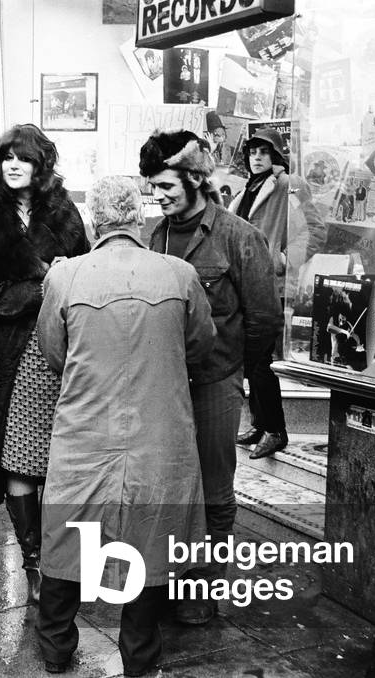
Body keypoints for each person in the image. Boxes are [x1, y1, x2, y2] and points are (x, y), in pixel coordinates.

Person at [36, 176, 215, 676]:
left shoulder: (65, 277)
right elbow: (200, 344)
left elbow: (55, 353)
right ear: (140, 218)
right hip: (160, 434)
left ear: (94, 221)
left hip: (84, 433)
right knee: (151, 540)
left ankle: (55, 647)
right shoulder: (179, 275)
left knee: (69, 536)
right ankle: (139, 655)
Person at [142, 130, 283, 624]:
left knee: (214, 488)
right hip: (163, 384)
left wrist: (233, 372)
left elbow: (265, 318)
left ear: (196, 179)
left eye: (165, 185)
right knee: (169, 486)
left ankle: (201, 592)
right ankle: (166, 582)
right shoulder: (152, 236)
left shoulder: (239, 236)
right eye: (151, 186)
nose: (156, 195)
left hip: (216, 381)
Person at [0, 124, 89, 603]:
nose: (12, 165)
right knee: (18, 457)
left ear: (41, 166)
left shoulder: (65, 212)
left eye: (23, 158)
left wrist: (59, 285)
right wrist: (42, 285)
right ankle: (34, 564)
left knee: (63, 459)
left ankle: (61, 556)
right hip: (8, 354)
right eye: (6, 156)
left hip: (63, 354)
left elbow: (83, 278)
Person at [228, 127, 327, 461]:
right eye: (253, 151)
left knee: (262, 364)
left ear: (276, 156)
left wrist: (284, 260)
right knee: (251, 361)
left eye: (264, 152)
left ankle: (276, 431)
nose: (257, 157)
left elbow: (315, 230)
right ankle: (259, 423)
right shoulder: (245, 191)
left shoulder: (290, 184)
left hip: (269, 287)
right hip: (244, 287)